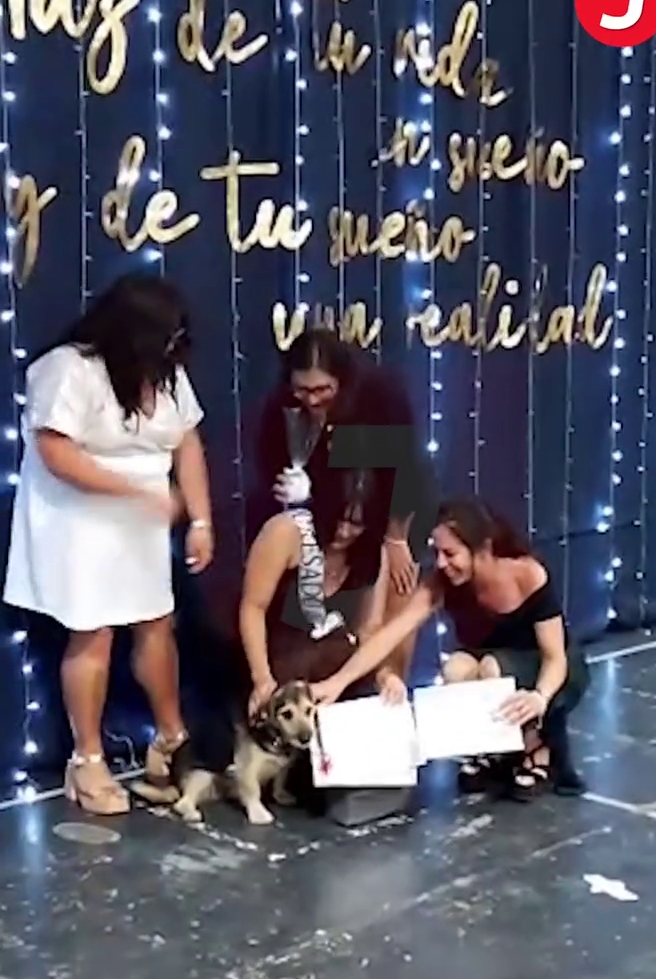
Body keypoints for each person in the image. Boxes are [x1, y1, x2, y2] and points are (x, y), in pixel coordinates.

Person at [3, 273, 213, 816]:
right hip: (78, 517)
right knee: (93, 632)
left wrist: (200, 519)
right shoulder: (69, 368)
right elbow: (56, 453)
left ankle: (170, 738)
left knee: (155, 622)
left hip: (142, 520)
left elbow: (187, 441)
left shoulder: (166, 372)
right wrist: (136, 494)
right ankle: (88, 758)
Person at [311, 499, 588, 798]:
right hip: (495, 660)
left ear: (482, 549)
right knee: (455, 668)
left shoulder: (527, 573)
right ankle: (494, 747)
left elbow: (555, 657)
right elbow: (390, 634)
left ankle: (536, 747)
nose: (442, 563)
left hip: (551, 667)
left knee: (491, 667)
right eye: (437, 553)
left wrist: (540, 697)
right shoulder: (442, 582)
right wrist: (337, 682)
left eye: (450, 553)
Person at [252, 328, 434, 677]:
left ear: (342, 379)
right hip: (333, 513)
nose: (312, 399)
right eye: (303, 389)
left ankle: (391, 684)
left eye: (322, 389)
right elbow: (273, 458)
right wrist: (296, 486)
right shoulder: (283, 405)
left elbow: (403, 466)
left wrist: (396, 538)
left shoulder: (379, 392)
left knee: (396, 596)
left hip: (397, 500)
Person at [240, 470, 404, 717]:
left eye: (356, 524)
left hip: (338, 680)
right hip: (281, 675)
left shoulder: (373, 555)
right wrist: (262, 679)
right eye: (338, 519)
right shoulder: (286, 533)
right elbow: (253, 607)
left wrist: (384, 675)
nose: (343, 531)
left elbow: (369, 629)